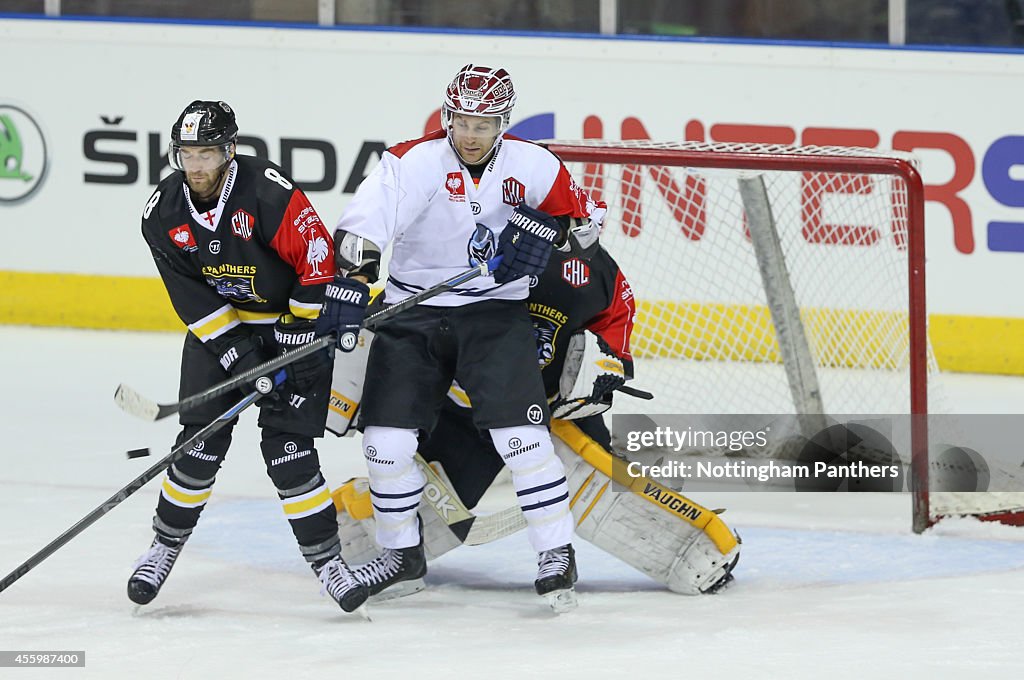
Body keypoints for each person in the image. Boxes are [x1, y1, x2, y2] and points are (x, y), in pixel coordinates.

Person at [315, 64, 602, 610]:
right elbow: (362, 227)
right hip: (411, 312)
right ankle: (402, 556)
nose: (470, 134)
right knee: (385, 445)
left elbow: (584, 232)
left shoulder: (536, 165)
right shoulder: (411, 161)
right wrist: (351, 282)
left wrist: (547, 237)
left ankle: (555, 552)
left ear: (503, 123)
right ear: (447, 117)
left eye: (483, 123)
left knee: (521, 441)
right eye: (461, 121)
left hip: (496, 315)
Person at [129, 100, 367, 614]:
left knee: (290, 453)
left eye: (206, 154)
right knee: (197, 446)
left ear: (229, 151)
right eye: (186, 154)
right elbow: (190, 296)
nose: (195, 167)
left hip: (292, 331)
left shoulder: (267, 192)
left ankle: (329, 562)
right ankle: (163, 546)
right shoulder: (162, 212)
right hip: (220, 338)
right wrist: (239, 356)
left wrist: (293, 341)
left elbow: (318, 262)